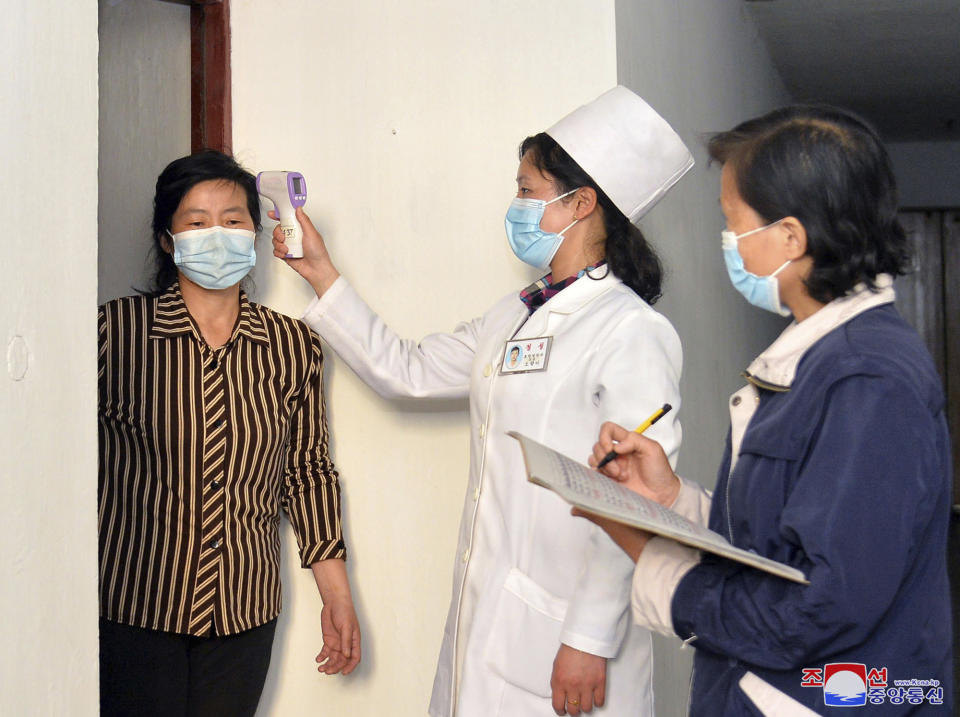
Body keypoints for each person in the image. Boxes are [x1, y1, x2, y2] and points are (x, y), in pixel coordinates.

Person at [270, 87, 693, 716]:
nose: (516, 205)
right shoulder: (515, 315)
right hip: (490, 613)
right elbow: (405, 371)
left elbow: (632, 497)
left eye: (528, 190)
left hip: (568, 630)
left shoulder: (630, 330)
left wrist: (587, 638)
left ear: (581, 203)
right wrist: (322, 276)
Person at [581, 105, 954, 716]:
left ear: (790, 237)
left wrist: (650, 557)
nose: (727, 242)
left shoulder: (868, 381)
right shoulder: (819, 360)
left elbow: (825, 608)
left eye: (733, 223)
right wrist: (672, 499)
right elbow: (783, 539)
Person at [98, 150, 361, 717]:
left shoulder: (293, 345)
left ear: (257, 232)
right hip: (133, 609)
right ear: (168, 240)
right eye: (195, 222)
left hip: (243, 608)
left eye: (234, 219)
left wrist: (335, 593)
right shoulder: (113, 334)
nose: (216, 234)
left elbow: (306, 471)